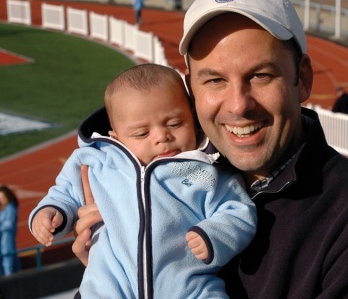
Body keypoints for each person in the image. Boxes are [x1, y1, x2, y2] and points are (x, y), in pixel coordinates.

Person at [73, 0, 348, 297]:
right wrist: (115, 269)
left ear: (302, 79)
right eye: (214, 80)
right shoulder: (155, 186)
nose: (238, 104)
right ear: (190, 89)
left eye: (260, 75)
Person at [29, 64, 257, 298]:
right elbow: (65, 192)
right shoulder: (99, 162)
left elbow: (237, 211)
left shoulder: (201, 169)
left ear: (192, 116)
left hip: (190, 290)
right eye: (141, 133)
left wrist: (214, 235)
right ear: (116, 137)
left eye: (175, 123)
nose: (162, 137)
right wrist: (51, 212)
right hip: (106, 290)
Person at [0, 185, 21, 276]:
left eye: (3, 197)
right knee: (12, 259)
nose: (1, 199)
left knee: (7, 259)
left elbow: (9, 224)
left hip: (7, 237)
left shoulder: (10, 208)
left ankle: (9, 280)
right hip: (3, 237)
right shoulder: (3, 208)